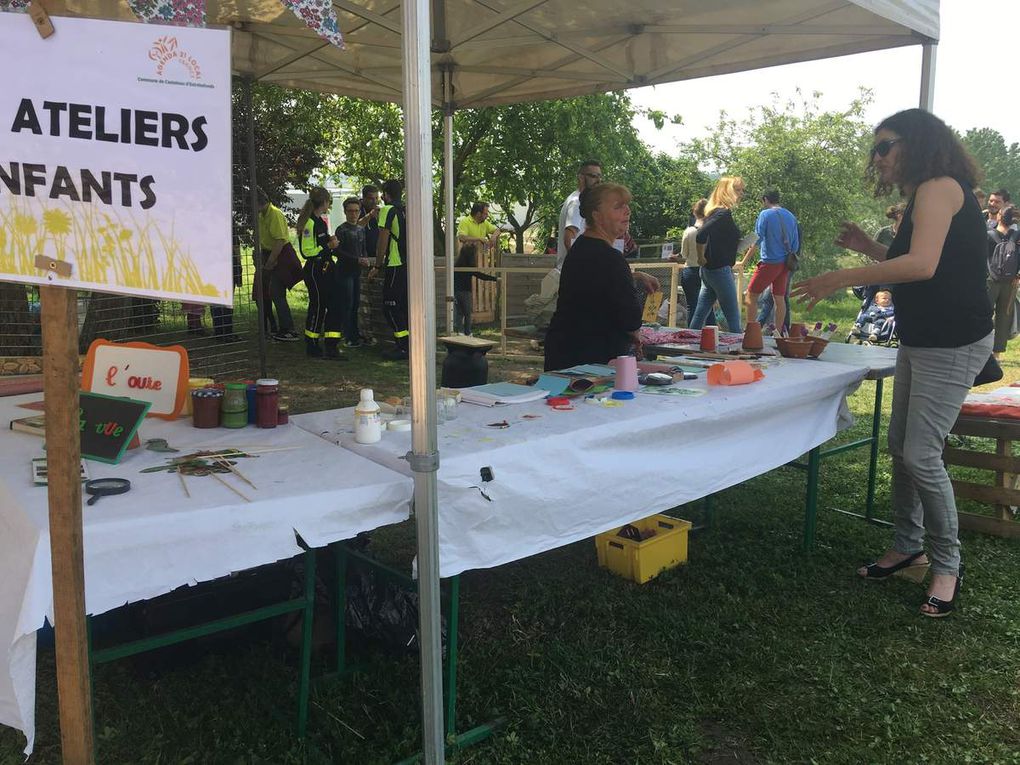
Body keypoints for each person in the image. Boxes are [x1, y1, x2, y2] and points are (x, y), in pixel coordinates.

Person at [792, 108, 993, 618]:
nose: (876, 157)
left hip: (952, 341)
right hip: (924, 339)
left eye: (885, 146)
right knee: (900, 446)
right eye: (874, 148)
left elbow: (921, 266)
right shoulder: (925, 193)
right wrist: (870, 246)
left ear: (917, 143)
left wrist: (843, 276)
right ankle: (909, 547)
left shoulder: (940, 187)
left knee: (921, 452)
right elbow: (925, 265)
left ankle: (947, 565)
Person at [544, 183, 658, 371]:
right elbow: (630, 320)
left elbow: (595, 282)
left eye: (626, 205)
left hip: (565, 352)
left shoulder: (580, 248)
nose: (627, 211)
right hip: (593, 361)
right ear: (597, 216)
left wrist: (633, 276)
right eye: (618, 207)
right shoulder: (610, 258)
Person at [690, 176, 745, 332]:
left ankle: (686, 345)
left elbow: (711, 237)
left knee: (699, 315)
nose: (741, 194)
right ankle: (740, 350)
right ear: (727, 191)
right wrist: (701, 257)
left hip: (709, 271)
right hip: (720, 270)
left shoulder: (713, 212)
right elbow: (700, 235)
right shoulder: (723, 214)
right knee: (733, 317)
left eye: (742, 190)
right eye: (738, 190)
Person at [740, 188, 798, 335]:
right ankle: (778, 334)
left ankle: (750, 332)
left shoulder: (765, 214)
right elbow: (795, 245)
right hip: (785, 264)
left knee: (751, 296)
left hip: (770, 263)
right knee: (779, 298)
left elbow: (757, 239)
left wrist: (743, 261)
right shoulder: (791, 216)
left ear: (765, 199)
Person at [296, 186, 343, 359]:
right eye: (328, 201)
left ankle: (331, 344)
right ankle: (312, 343)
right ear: (324, 202)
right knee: (318, 305)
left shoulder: (320, 221)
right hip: (315, 270)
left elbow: (321, 243)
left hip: (326, 268)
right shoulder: (309, 222)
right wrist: (328, 247)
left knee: (333, 304)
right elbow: (307, 251)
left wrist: (329, 242)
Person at [256, 188, 301, 341]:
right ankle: (284, 328)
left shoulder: (274, 214)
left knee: (276, 293)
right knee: (274, 293)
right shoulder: (262, 214)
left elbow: (280, 240)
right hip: (271, 254)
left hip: (280, 255)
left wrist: (269, 263)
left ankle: (288, 329)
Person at [375, 179, 410, 360]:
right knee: (403, 306)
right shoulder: (405, 209)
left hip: (395, 264)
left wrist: (377, 265)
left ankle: (403, 346)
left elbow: (383, 240)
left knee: (390, 306)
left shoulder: (387, 210)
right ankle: (408, 343)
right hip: (408, 265)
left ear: (385, 194)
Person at [335, 196, 372, 348]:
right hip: (344, 271)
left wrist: (364, 259)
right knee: (347, 303)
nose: (354, 214)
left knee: (356, 303)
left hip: (357, 272)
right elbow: (337, 252)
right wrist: (357, 259)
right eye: (350, 211)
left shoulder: (360, 230)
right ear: (345, 212)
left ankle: (354, 334)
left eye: (356, 211)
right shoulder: (341, 229)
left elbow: (362, 250)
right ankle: (348, 336)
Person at [674, 198, 715, 328]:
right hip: (708, 271)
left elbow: (684, 254)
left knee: (692, 305)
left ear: (694, 213)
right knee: (708, 307)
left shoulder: (689, 232)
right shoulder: (712, 231)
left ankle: (693, 335)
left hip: (690, 271)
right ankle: (713, 335)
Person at [986, 205, 1020, 357]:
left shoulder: (989, 234)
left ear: (999, 216)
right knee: (1004, 316)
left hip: (991, 279)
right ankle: (997, 354)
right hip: (1010, 281)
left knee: (985, 313)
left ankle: (982, 348)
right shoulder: (1017, 235)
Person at [556, 159, 603, 268]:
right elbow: (569, 239)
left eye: (600, 176)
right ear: (581, 178)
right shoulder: (577, 202)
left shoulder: (580, 200)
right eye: (593, 176)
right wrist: (584, 266)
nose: (598, 180)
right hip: (575, 272)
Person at [453, 244, 498, 335]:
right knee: (467, 313)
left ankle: (460, 332)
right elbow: (481, 276)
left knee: (459, 313)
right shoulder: (469, 267)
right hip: (465, 292)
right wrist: (495, 279)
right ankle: (468, 332)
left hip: (456, 292)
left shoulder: (457, 266)